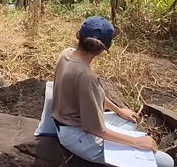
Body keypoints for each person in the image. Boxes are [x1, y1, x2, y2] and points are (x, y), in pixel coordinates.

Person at [51, 16, 174, 166]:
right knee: (166, 162)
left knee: (128, 121)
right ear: (104, 48)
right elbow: (95, 129)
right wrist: (136, 142)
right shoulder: (86, 76)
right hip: (77, 135)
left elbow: (92, 95)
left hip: (66, 124)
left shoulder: (66, 54)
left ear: (79, 36)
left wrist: (119, 110)